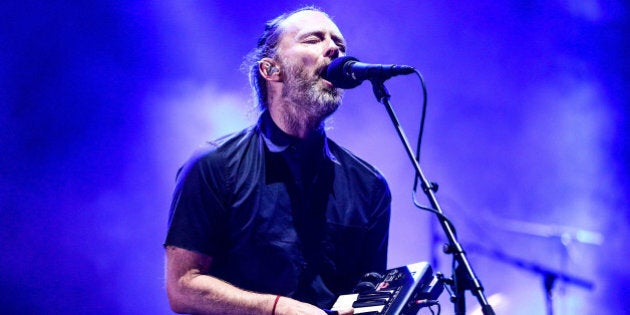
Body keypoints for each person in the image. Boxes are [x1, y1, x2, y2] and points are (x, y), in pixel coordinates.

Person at [164, 6, 391, 315]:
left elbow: (368, 296)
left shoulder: (369, 186)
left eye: (339, 44)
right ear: (272, 70)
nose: (334, 49)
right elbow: (182, 288)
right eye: (313, 39)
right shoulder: (214, 166)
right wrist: (276, 309)